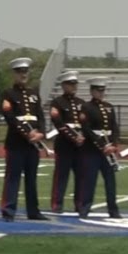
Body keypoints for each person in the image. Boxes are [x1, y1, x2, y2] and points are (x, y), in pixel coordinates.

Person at [0, 57, 48, 221]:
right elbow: (10, 117)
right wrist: (27, 134)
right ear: (14, 74)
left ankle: (33, 211)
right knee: (13, 177)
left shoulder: (34, 93)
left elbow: (40, 116)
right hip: (16, 143)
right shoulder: (8, 93)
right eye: (20, 72)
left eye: (25, 71)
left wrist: (41, 132)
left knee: (31, 178)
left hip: (33, 144)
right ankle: (8, 210)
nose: (23, 74)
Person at [76, 77, 122, 219]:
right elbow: (87, 129)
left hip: (108, 150)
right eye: (97, 90)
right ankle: (84, 209)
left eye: (102, 90)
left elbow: (114, 127)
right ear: (92, 91)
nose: (100, 93)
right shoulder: (86, 107)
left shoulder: (108, 106)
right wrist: (102, 145)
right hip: (92, 149)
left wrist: (113, 144)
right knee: (89, 180)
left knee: (110, 182)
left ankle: (113, 210)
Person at [48, 71, 85, 214]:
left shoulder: (81, 103)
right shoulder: (57, 102)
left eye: (75, 83)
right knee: (61, 175)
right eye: (70, 84)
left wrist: (83, 137)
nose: (74, 86)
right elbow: (59, 123)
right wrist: (73, 137)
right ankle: (57, 203)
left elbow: (85, 123)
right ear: (64, 85)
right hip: (64, 145)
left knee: (81, 176)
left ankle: (79, 203)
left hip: (80, 146)